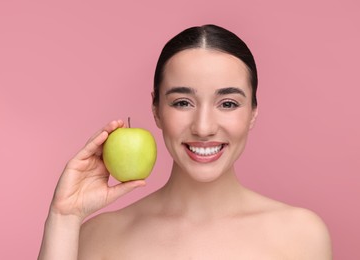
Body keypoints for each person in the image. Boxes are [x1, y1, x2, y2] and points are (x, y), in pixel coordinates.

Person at [38, 24, 332, 259]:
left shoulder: (302, 234)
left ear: (253, 112)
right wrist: (64, 216)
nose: (203, 127)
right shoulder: (97, 236)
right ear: (156, 110)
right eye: (182, 103)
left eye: (228, 104)